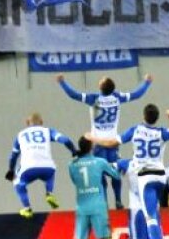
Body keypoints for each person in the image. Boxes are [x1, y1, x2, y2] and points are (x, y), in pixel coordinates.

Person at [88, 104, 169, 239]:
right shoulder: (160, 132)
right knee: (155, 221)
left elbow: (111, 147)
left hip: (144, 184)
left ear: (143, 115)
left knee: (140, 234)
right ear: (156, 117)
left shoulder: (131, 147)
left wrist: (94, 139)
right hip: (160, 177)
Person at [56, 73, 153, 210]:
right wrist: (147, 83)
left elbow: (74, 95)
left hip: (98, 144)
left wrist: (62, 83)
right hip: (113, 142)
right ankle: (118, 200)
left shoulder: (94, 99)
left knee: (100, 173)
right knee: (115, 172)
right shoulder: (117, 98)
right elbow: (136, 94)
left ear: (101, 87)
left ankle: (105, 203)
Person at [68, 136, 121, 239]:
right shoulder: (100, 162)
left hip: (81, 205)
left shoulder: (72, 164)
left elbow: (74, 181)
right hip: (98, 205)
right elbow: (116, 175)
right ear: (91, 146)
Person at [5, 113, 77, 218]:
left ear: (27, 123)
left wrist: (11, 170)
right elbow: (65, 140)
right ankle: (49, 193)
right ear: (42, 122)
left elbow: (13, 156)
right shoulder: (48, 131)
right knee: (50, 172)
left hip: (28, 168)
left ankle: (27, 208)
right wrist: (74, 151)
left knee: (17, 182)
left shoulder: (20, 135)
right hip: (47, 168)